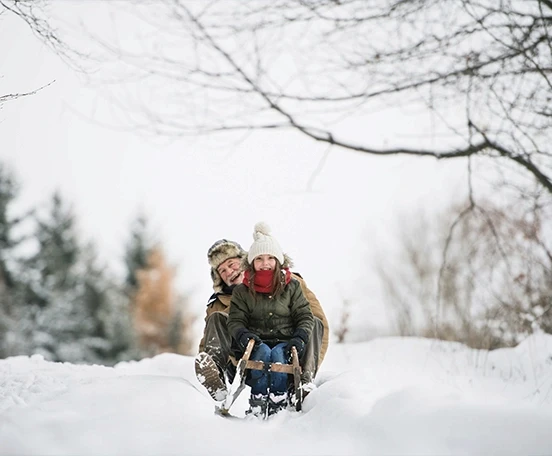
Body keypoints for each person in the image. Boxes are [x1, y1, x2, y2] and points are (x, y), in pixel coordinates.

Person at [195, 229, 329, 403]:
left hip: (288, 348)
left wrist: (306, 362)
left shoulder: (290, 283)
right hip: (245, 355)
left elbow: (318, 326)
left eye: (232, 263)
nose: (229, 271)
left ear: (245, 261)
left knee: (313, 321)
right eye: (222, 270)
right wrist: (210, 366)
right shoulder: (217, 304)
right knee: (218, 319)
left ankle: (304, 383)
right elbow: (209, 340)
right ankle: (217, 377)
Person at [227, 222, 314, 418]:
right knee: (264, 352)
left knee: (278, 356)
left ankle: (278, 399)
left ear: (278, 261)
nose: (265, 263)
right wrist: (243, 334)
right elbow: (235, 319)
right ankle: (257, 400)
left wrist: (300, 336)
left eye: (270, 258)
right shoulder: (243, 290)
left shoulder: (291, 286)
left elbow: (304, 314)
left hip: (285, 340)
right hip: (255, 340)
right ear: (252, 263)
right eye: (259, 259)